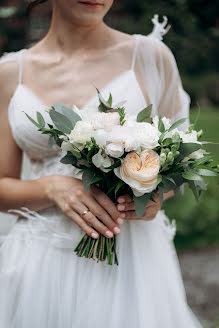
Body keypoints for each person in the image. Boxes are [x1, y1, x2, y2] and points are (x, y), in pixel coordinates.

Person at [0, 1, 203, 327]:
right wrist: (49, 187)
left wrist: (155, 195)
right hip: (41, 264)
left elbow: (181, 159)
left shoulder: (150, 57)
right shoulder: (10, 73)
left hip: (130, 261)